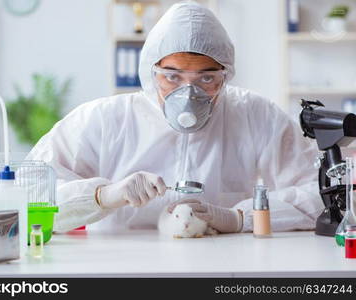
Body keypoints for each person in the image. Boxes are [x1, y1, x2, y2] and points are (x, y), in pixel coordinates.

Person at [26, 2, 323, 233]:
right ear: (150, 73)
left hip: (224, 263)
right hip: (117, 267)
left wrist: (241, 217)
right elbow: (29, 194)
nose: (189, 93)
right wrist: (104, 196)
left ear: (226, 75)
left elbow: (322, 194)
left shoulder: (256, 115)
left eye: (207, 79)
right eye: (172, 76)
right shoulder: (104, 120)